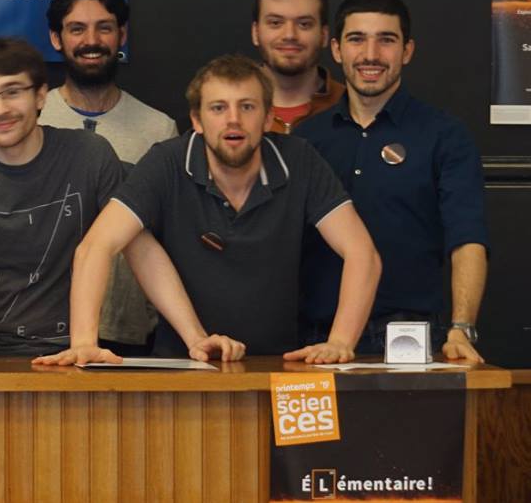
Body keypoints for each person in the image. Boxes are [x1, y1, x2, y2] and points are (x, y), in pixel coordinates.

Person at [40, 54, 380, 366]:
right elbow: (96, 246)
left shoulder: (299, 160)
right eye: (218, 108)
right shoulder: (167, 161)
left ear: (268, 119)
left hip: (278, 363)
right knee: (134, 237)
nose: (233, 120)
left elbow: (362, 254)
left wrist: (340, 342)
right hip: (184, 362)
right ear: (197, 120)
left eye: (247, 107)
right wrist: (83, 342)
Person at [293, 0, 489, 361]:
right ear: (336, 50)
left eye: (386, 40)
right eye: (356, 40)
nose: (370, 55)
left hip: (411, 339)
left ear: (407, 51)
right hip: (315, 337)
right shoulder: (306, 139)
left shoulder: (444, 135)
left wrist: (462, 329)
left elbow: (468, 239)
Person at [0, 38, 127, 365]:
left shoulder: (90, 154)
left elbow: (138, 243)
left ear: (40, 94)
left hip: (70, 353)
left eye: (13, 92)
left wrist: (193, 336)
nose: (0, 109)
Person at [37, 0, 178, 353]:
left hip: (129, 334)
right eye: (77, 29)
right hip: (39, 330)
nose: (92, 41)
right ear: (56, 38)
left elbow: (169, 235)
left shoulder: (159, 129)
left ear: (122, 35)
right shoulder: (31, 120)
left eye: (104, 28)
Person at [251, 0, 345, 134]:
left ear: (324, 35)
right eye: (275, 23)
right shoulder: (226, 113)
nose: (289, 35)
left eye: (304, 24)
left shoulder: (352, 109)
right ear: (255, 33)